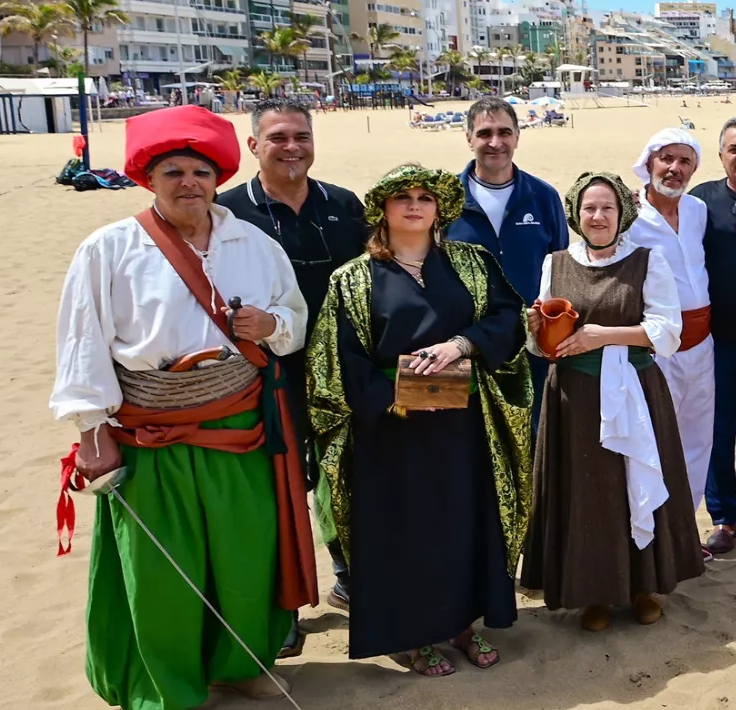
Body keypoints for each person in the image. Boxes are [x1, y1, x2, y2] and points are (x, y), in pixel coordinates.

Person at [53, 106, 314, 708]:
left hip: (241, 430)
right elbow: (82, 341)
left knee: (246, 559)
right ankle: (165, 686)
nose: (188, 182)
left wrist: (269, 322)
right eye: (174, 171)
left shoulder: (256, 243)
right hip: (152, 438)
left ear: (218, 176)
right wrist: (93, 431)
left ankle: (242, 665)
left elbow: (295, 322)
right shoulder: (108, 249)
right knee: (164, 572)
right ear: (149, 178)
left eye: (199, 170)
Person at [307, 164, 533, 676]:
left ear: (440, 209)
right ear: (382, 210)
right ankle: (416, 636)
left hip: (465, 427)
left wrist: (462, 343)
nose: (414, 205)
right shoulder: (353, 279)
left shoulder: (472, 263)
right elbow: (339, 361)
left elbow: (507, 318)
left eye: (424, 197)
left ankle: (462, 626)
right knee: (408, 534)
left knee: (464, 525)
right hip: (393, 434)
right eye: (402, 197)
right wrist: (396, 397)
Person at [522, 172, 706, 630]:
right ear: (576, 214)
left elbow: (667, 333)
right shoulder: (556, 263)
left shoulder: (648, 260)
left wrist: (603, 336)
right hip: (575, 397)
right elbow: (543, 345)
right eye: (589, 208)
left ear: (621, 213)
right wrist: (536, 329)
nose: (598, 216)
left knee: (632, 483)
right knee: (587, 493)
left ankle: (643, 586)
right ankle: (594, 594)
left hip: (635, 392)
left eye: (607, 207)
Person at [215, 98, 369, 616]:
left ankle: (347, 574)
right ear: (253, 146)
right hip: (265, 371)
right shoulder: (229, 211)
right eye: (278, 138)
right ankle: (282, 604)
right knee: (276, 483)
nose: (291, 148)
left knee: (341, 472)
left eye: (301, 137)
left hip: (343, 367)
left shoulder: (345, 204)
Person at [447, 99, 569, 439]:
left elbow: (558, 270)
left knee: (535, 438)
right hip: (467, 345)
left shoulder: (543, 197)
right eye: (485, 133)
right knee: (471, 442)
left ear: (517, 137)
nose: (495, 142)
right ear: (468, 138)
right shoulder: (446, 201)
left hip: (531, 345)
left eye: (504, 132)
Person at [629, 128, 716, 515]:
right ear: (649, 163)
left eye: (685, 161)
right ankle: (650, 526)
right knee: (653, 437)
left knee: (697, 439)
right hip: (656, 346)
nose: (674, 169)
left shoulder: (697, 210)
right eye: (666, 159)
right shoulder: (628, 215)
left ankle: (683, 528)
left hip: (702, 345)